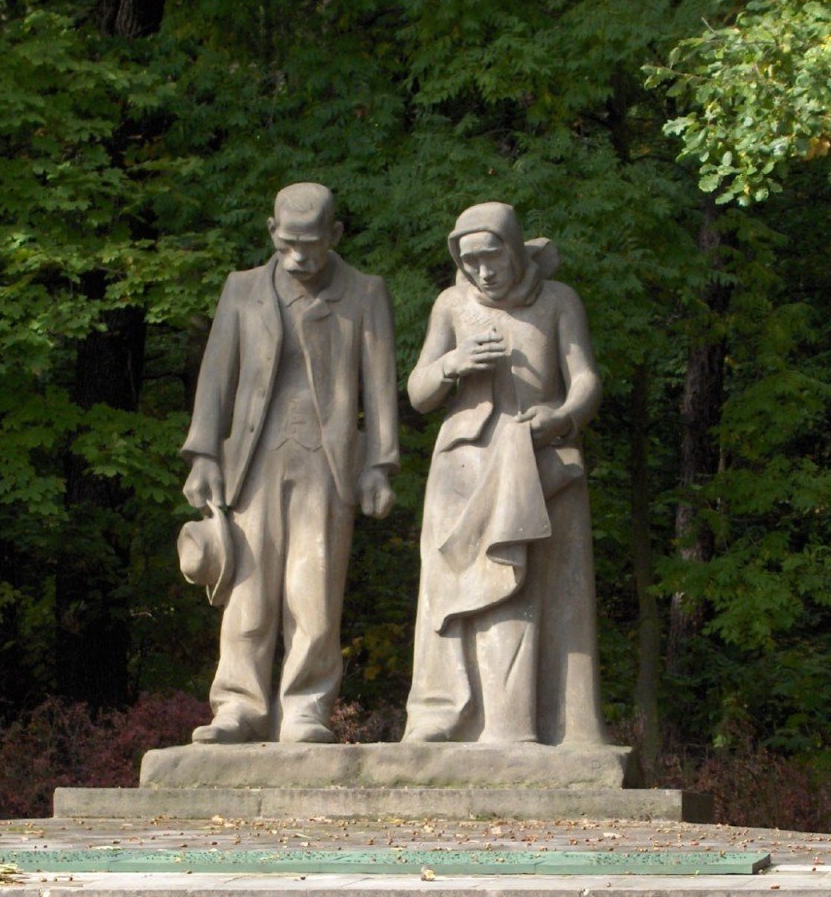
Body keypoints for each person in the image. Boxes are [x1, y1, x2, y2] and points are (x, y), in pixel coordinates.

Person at [181, 182, 398, 743]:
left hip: (329, 463)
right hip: (252, 460)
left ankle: (305, 707)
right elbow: (215, 379)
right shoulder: (242, 290)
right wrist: (204, 454)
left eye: (312, 244)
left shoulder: (365, 293)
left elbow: (379, 388)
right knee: (247, 588)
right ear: (272, 232)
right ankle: (239, 705)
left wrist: (381, 463)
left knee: (315, 589)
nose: (300, 256)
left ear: (335, 235)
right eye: (289, 243)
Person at [403, 201, 610, 746]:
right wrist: (453, 363)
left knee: (533, 591)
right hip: (464, 466)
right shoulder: (451, 306)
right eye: (470, 262)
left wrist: (562, 416)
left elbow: (585, 377)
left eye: (492, 258)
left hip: (540, 461)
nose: (483, 272)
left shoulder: (559, 301)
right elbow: (419, 392)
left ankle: (527, 725)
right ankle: (446, 711)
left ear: (516, 249)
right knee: (450, 592)